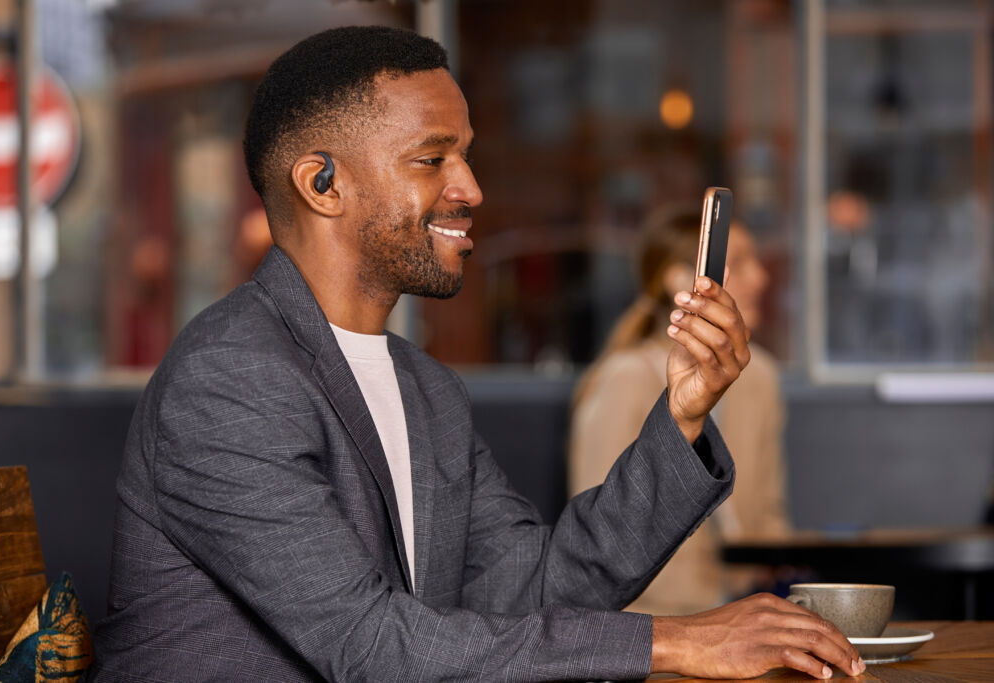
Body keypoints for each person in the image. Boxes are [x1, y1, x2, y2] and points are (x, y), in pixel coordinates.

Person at [88, 26, 864, 682]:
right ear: (323, 182)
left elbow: (540, 588)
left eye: (465, 155)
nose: (472, 187)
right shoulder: (228, 380)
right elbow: (369, 645)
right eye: (433, 159)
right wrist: (676, 638)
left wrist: (683, 417)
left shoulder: (425, 388)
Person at [570, 208, 790, 617]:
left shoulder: (760, 376)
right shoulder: (624, 378)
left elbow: (769, 511)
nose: (760, 277)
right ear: (681, 281)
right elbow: (595, 533)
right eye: (739, 263)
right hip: (653, 618)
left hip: (745, 609)